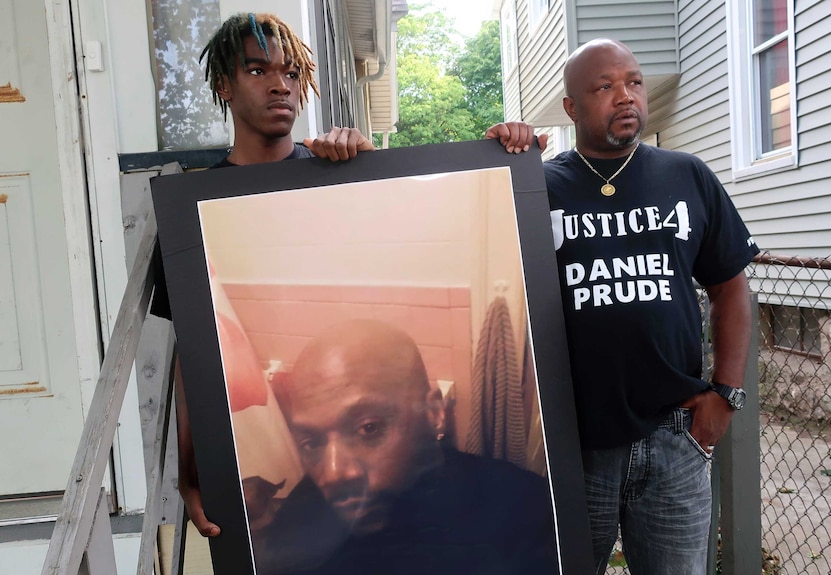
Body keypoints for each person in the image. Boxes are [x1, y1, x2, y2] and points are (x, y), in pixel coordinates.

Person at [486, 38, 758, 574]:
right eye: (604, 87)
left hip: (674, 435)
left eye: (633, 82)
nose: (625, 96)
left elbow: (731, 286)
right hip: (571, 443)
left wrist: (725, 395)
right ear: (571, 107)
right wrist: (498, 158)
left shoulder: (687, 175)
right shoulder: (537, 185)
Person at [149, 12, 375, 538]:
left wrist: (368, 173)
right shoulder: (191, 210)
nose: (280, 85)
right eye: (257, 71)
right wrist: (189, 474)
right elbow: (193, 356)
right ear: (224, 86)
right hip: (261, 444)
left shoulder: (338, 177)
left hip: (351, 428)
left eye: (291, 72)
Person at [253, 319, 558, 575]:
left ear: (435, 413)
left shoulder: (522, 510)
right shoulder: (304, 509)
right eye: (313, 442)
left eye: (368, 428)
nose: (332, 474)